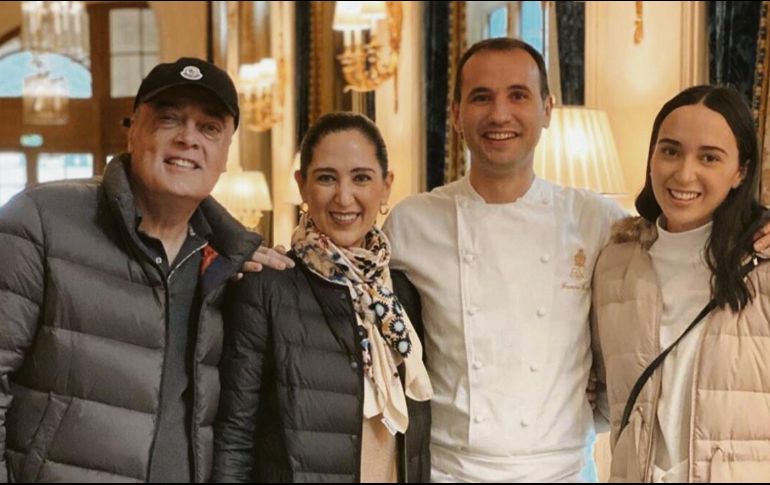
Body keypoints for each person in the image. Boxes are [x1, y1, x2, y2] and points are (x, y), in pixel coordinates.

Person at [0, 57, 263, 483]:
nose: (188, 139)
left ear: (226, 153)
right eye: (169, 119)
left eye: (209, 128)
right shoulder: (39, 222)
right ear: (133, 131)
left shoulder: (231, 264)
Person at [380, 37, 627, 482]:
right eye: (481, 97)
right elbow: (350, 292)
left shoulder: (597, 219)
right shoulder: (412, 222)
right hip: (449, 470)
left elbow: (661, 286)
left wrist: (750, 226)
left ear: (547, 109)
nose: (499, 115)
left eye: (518, 95)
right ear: (455, 114)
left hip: (563, 471)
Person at [211, 112, 433, 483]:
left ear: (386, 186)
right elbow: (235, 434)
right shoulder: (267, 285)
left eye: (361, 178)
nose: (344, 197)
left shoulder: (402, 293)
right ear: (302, 185)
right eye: (327, 178)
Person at [591, 85, 770, 482]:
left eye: (709, 157)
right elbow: (603, 394)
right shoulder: (615, 263)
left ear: (741, 170)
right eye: (670, 150)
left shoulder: (763, 263)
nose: (684, 173)